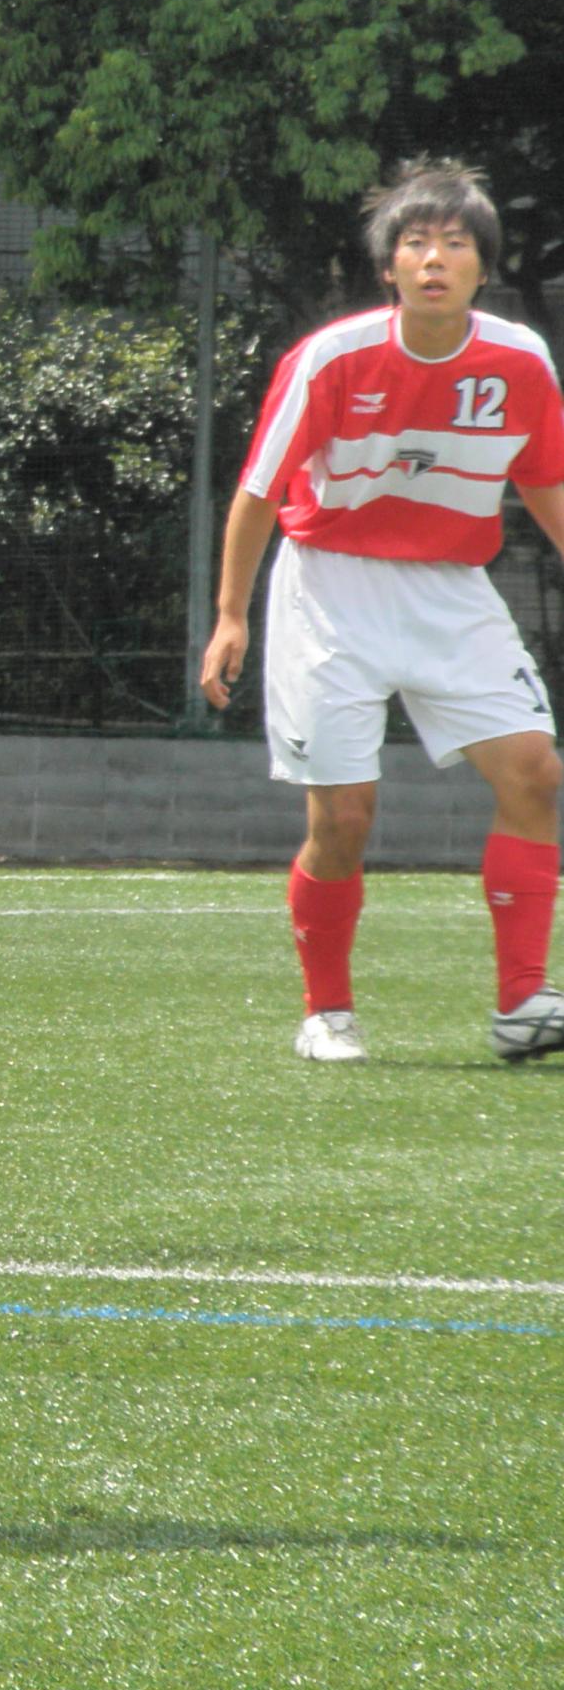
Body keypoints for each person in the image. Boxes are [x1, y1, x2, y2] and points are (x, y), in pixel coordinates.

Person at [199, 163, 564, 1066]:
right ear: (389, 268)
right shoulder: (331, 358)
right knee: (344, 820)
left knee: (537, 777)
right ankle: (328, 1013)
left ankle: (522, 1005)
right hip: (329, 589)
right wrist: (231, 617)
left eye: (455, 243)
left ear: (485, 266)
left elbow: (546, 480)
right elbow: (257, 492)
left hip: (451, 592)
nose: (434, 258)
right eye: (415, 243)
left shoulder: (520, 359)